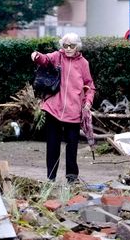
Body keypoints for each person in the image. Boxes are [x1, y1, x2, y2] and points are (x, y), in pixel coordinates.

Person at [31, 33, 95, 183]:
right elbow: (45, 60)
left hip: (73, 111)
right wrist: (36, 55)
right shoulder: (57, 56)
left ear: (77, 46)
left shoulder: (83, 63)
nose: (67, 49)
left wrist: (88, 102)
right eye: (65, 45)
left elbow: (89, 86)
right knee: (52, 145)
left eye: (71, 46)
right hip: (54, 108)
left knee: (72, 146)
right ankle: (51, 177)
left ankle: (72, 177)